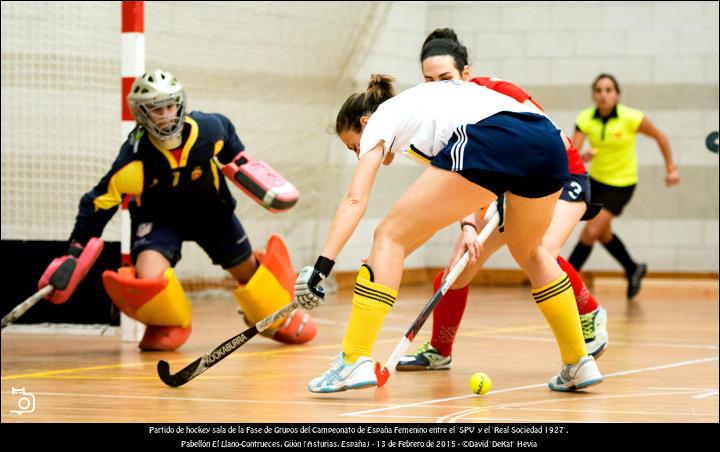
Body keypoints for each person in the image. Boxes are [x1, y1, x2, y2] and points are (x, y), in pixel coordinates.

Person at [294, 73, 604, 393]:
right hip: (547, 141)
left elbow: (355, 199)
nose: (360, 153)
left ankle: (353, 359)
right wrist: (391, 256)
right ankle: (578, 361)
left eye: (354, 145)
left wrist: (322, 267)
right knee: (531, 251)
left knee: (387, 235)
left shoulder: (383, 117)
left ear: (363, 121)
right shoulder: (426, 112)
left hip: (498, 136)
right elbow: (435, 215)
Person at [39, 69, 317, 351]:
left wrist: (255, 175)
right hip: (160, 222)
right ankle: (166, 323)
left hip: (212, 214)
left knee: (247, 272)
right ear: (141, 113)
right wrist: (74, 252)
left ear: (180, 104)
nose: (167, 114)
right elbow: (96, 204)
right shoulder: (133, 159)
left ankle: (278, 317)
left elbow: (233, 151)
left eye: (171, 105)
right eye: (157, 109)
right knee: (149, 275)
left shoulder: (210, 129)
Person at [398, 29, 608, 372]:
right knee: (458, 267)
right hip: (506, 190)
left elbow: (549, 139)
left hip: (560, 176)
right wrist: (469, 223)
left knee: (540, 252)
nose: (438, 88)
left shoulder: (499, 92)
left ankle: (589, 311)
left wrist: (509, 189)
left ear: (466, 74)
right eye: (429, 80)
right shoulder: (441, 117)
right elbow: (457, 180)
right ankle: (439, 349)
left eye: (446, 78)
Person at [568, 74, 680, 300]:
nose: (603, 95)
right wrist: (583, 156)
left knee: (590, 232)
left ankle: (565, 280)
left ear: (617, 94)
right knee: (602, 233)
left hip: (622, 185)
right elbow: (572, 154)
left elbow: (661, 137)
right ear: (593, 95)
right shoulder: (586, 118)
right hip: (596, 183)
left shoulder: (632, 118)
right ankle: (632, 268)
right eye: (599, 90)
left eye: (609, 90)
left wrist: (670, 168)